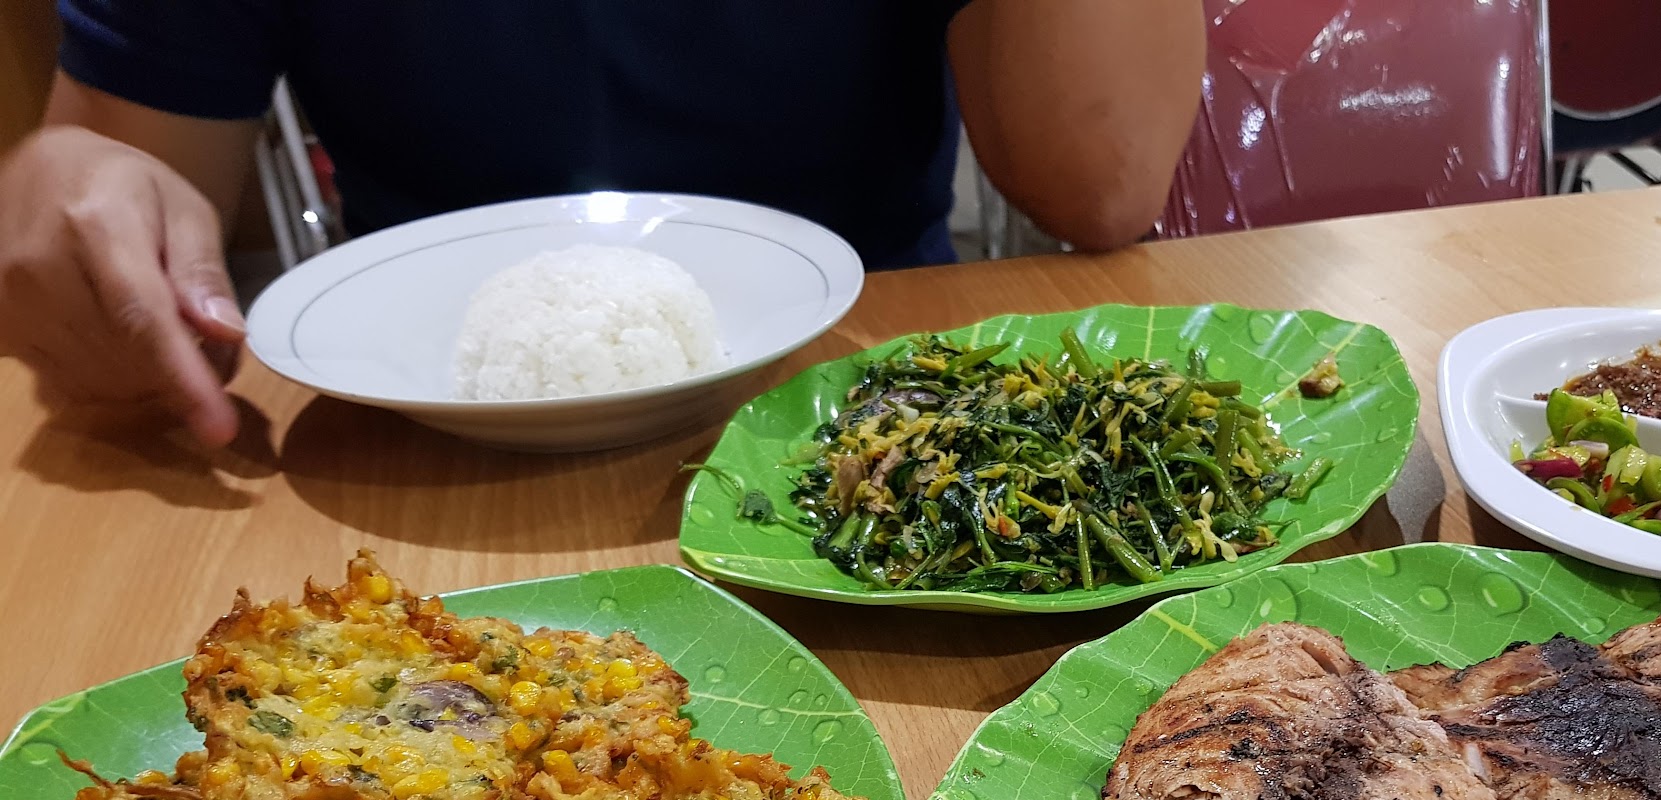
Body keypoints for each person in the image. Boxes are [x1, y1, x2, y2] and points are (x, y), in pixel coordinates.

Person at [0, 2, 1204, 448]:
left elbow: (1101, 183)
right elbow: (120, 173)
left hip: (876, 403)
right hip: (416, 436)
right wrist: (73, 188)